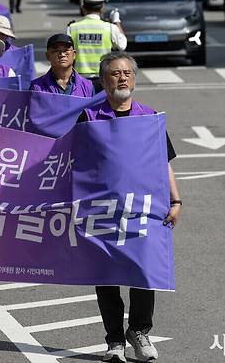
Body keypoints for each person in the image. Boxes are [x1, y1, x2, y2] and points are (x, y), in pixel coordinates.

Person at [76, 51, 181, 363]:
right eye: (114, 73)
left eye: (126, 73)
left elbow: (164, 161)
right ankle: (114, 341)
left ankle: (139, 331)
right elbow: (73, 160)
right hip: (102, 209)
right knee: (106, 274)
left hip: (143, 208)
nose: (121, 78)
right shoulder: (89, 118)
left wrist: (176, 200)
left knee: (143, 271)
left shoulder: (148, 117)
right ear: (103, 79)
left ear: (134, 79)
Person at [67, 0, 126, 91]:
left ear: (83, 7)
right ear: (102, 8)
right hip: (104, 78)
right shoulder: (110, 28)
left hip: (80, 79)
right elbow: (122, 45)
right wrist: (116, 21)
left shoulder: (73, 28)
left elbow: (67, 54)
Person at [29, 33, 94, 97]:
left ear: (74, 55)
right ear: (48, 56)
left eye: (66, 50)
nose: (62, 55)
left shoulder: (88, 86)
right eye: (56, 51)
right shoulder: (36, 87)